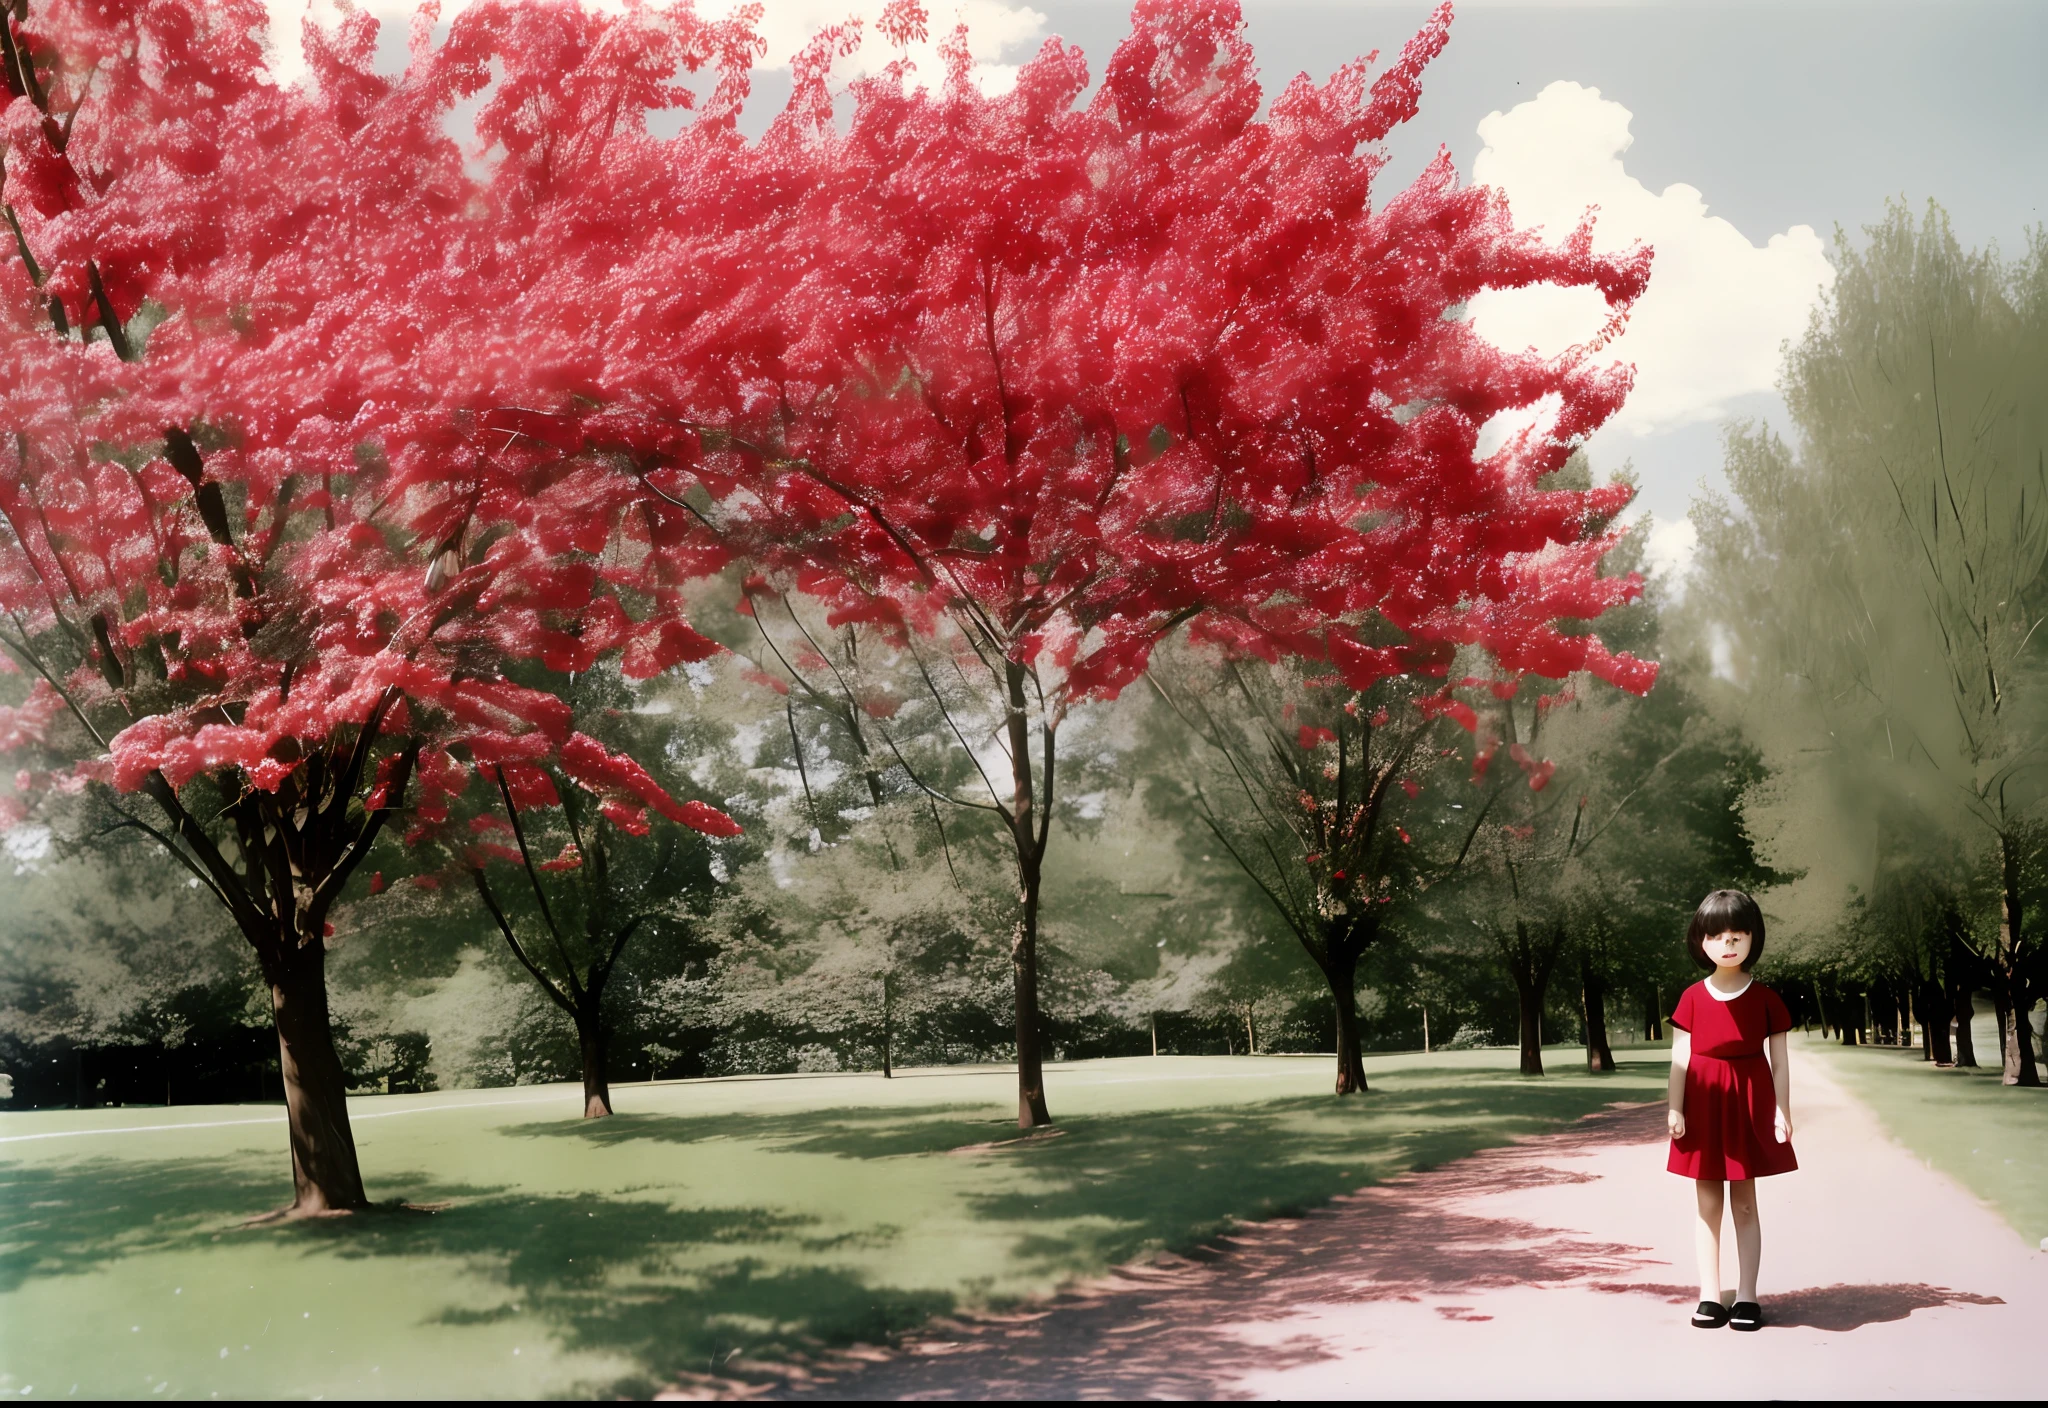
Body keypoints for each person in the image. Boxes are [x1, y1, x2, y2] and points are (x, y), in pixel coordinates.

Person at [1666, 888, 1796, 1330]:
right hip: (1702, 1105)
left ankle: (1746, 1296)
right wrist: (1675, 1108)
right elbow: (1680, 1059)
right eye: (1718, 935)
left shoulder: (1766, 998)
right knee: (1707, 1204)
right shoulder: (1691, 999)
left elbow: (1779, 1062)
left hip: (1748, 1102)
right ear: (1701, 941)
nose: (1728, 944)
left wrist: (1782, 1110)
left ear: (1752, 939)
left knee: (1744, 1203)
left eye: (1738, 935)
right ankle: (1708, 1294)